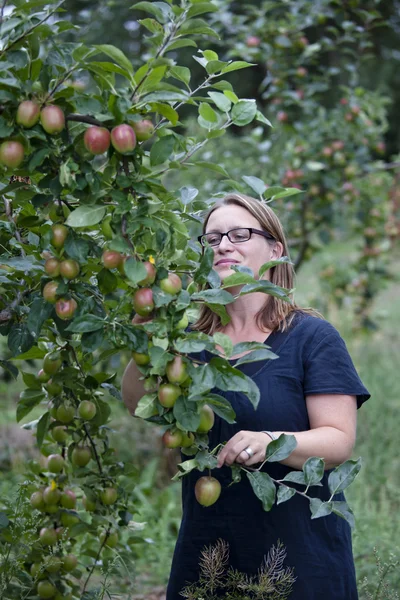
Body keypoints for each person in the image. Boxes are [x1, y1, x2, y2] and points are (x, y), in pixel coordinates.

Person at [121, 193, 370, 600]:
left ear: (275, 249)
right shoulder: (187, 342)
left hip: (299, 557)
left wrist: (270, 442)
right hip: (208, 553)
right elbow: (136, 401)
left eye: (239, 233)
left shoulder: (311, 338)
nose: (223, 244)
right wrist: (146, 328)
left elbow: (338, 441)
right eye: (212, 238)